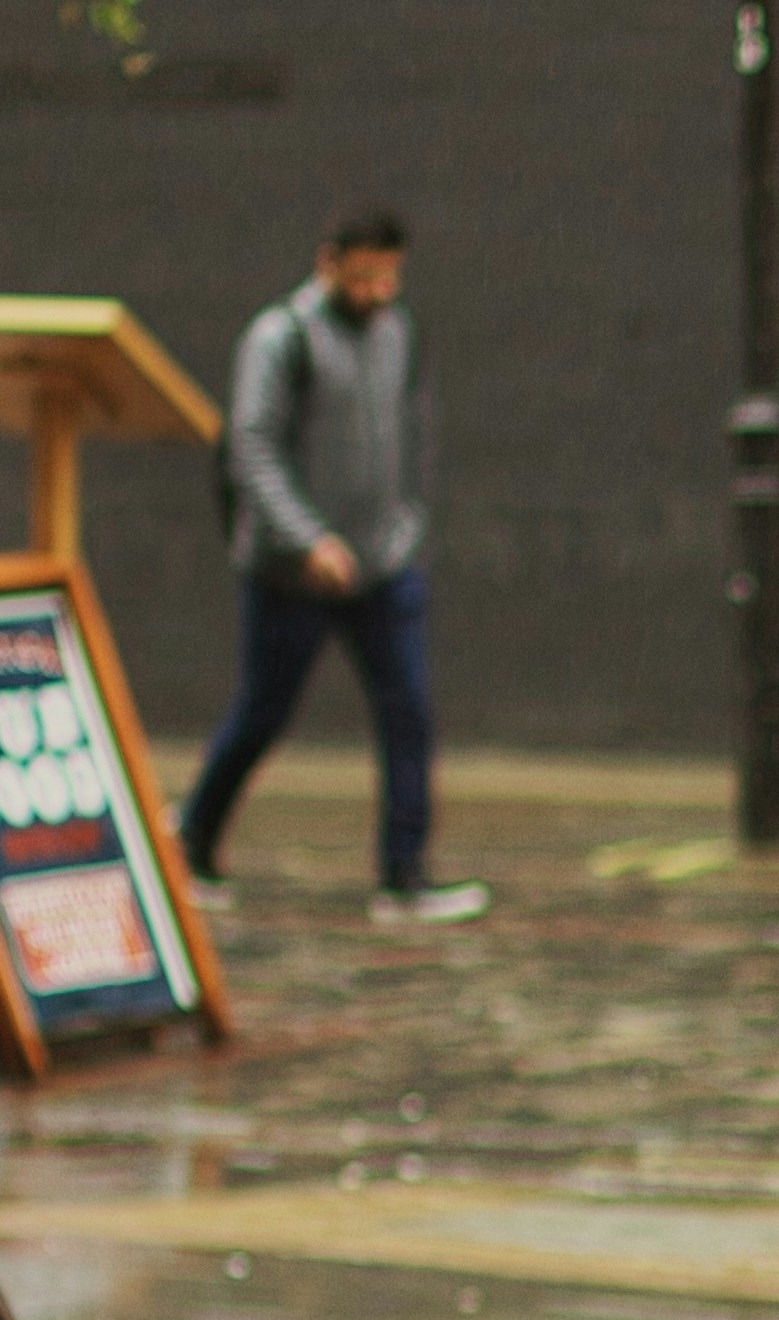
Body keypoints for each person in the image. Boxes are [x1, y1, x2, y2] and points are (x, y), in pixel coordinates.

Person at [179, 207, 488, 928]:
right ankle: (194, 842)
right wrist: (308, 539)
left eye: (389, 276)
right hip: (294, 572)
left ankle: (404, 876)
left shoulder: (400, 333)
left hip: (384, 563)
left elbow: (417, 429)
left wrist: (407, 523)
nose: (377, 291)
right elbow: (251, 450)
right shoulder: (278, 337)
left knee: (408, 710)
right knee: (264, 710)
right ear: (328, 264)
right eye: (363, 276)